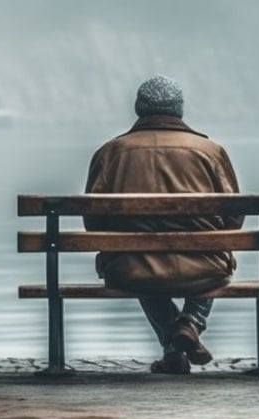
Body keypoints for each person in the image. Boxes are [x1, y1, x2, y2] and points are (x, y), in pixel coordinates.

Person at [83, 75, 243, 374]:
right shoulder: (211, 152)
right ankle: (190, 322)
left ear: (139, 108)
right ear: (179, 110)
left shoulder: (110, 153)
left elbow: (93, 224)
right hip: (204, 267)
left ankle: (174, 350)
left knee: (138, 261)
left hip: (130, 268)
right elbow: (234, 221)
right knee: (217, 257)